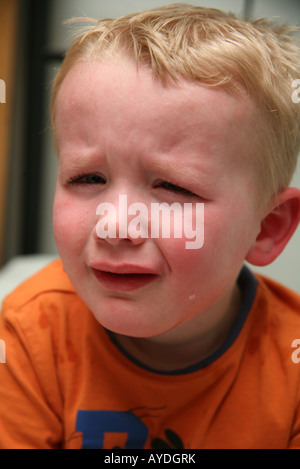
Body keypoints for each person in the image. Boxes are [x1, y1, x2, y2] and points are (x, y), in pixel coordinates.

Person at [1, 3, 300, 449]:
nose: (115, 225)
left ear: (266, 228)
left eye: (173, 188)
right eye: (88, 178)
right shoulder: (25, 335)